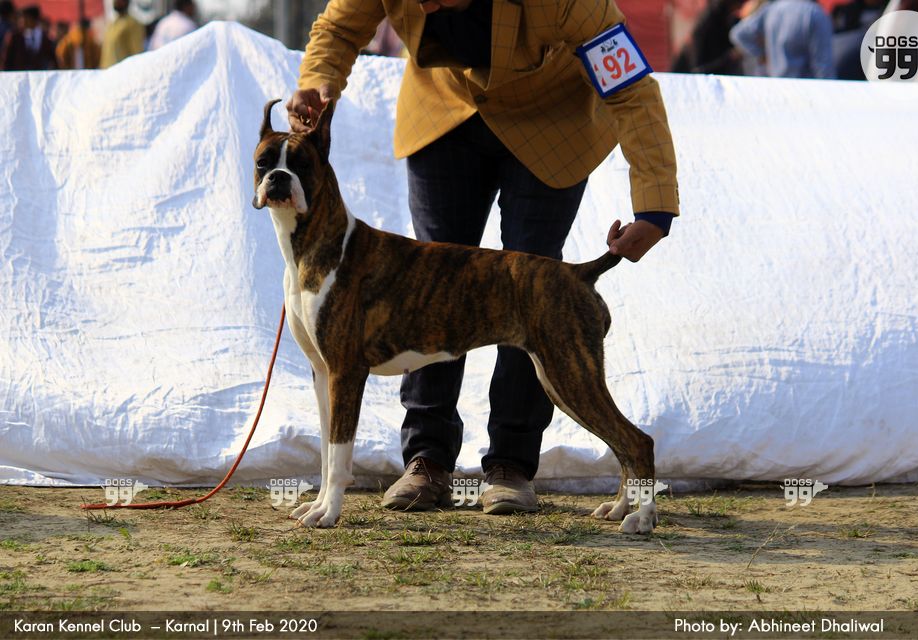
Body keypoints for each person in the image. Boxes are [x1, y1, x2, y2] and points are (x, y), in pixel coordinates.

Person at [287, 0, 680, 515]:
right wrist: (318, 81)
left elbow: (630, 85)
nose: (421, 5)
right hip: (443, 114)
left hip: (551, 124)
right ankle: (427, 458)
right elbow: (338, 28)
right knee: (421, 285)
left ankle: (511, 465)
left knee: (534, 293)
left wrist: (654, 204)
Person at [730, 0, 835, 79]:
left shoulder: (772, 9)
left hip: (777, 84)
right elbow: (823, 64)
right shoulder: (816, 14)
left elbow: (739, 34)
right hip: (804, 87)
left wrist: (763, 55)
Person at [672, 0, 747, 75]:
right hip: (696, 68)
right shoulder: (711, 22)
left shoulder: (726, 18)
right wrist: (730, 56)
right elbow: (700, 68)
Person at [1, 5, 56, 71]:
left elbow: (52, 60)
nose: (20, 20)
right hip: (18, 76)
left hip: (40, 76)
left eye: (23, 17)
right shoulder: (14, 37)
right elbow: (6, 61)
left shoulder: (46, 37)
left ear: (31, 18)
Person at [100, 0, 146, 68]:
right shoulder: (113, 24)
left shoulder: (132, 24)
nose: (116, 2)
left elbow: (137, 52)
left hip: (123, 70)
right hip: (108, 71)